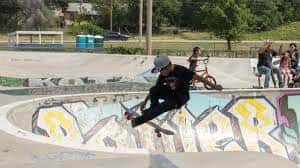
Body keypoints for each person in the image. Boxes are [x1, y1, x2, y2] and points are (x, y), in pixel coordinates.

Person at [131, 55, 223, 127]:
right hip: (170, 93)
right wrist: (145, 102)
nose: (161, 73)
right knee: (154, 89)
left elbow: (199, 78)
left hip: (180, 98)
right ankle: (153, 108)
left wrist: (214, 86)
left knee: (163, 106)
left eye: (161, 71)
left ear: (168, 66)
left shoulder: (181, 70)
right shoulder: (163, 74)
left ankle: (137, 121)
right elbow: (155, 90)